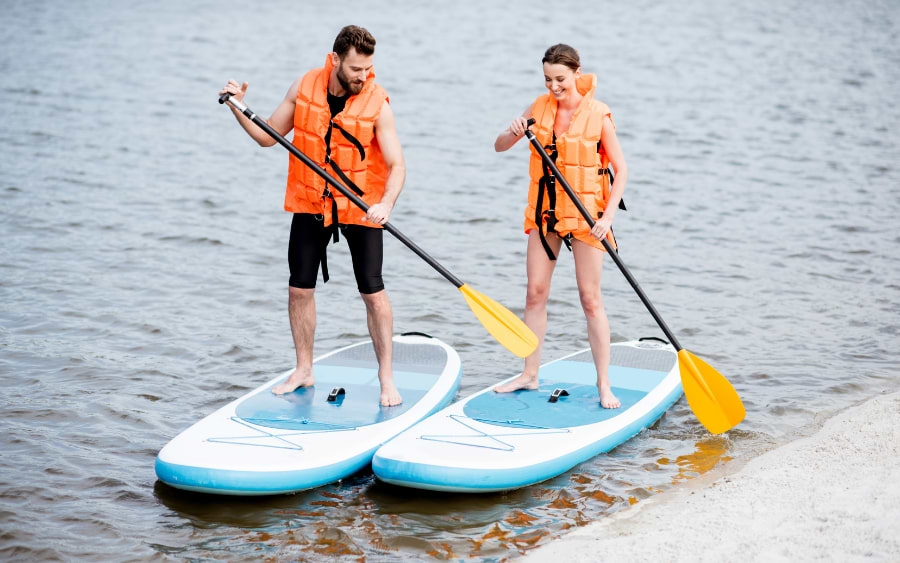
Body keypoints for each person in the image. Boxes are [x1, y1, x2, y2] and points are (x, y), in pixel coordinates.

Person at [219, 25, 406, 406]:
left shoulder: (377, 102)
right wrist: (237, 105)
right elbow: (267, 136)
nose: (363, 76)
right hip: (312, 201)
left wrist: (386, 204)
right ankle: (304, 369)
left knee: (372, 292)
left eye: (368, 68)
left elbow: (397, 165)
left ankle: (386, 378)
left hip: (361, 205)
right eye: (355, 69)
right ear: (335, 59)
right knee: (299, 289)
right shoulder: (304, 86)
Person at [493, 44, 628, 409]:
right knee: (535, 293)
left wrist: (607, 218)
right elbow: (500, 146)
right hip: (547, 215)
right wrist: (513, 130)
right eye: (547, 79)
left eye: (561, 79)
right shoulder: (538, 108)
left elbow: (622, 170)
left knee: (590, 299)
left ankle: (604, 384)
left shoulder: (599, 115)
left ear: (577, 73)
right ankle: (529, 374)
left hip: (587, 218)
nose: (554, 87)